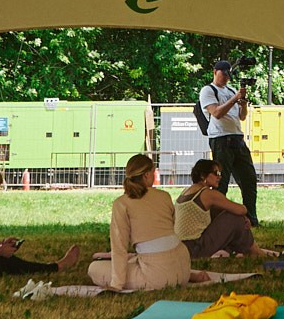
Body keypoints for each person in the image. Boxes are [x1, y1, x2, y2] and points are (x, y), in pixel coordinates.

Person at [85, 154, 213, 291]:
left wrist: (117, 284)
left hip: (157, 276)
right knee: (133, 260)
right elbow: (171, 228)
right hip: (182, 265)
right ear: (146, 175)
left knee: (94, 268)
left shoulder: (121, 203)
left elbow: (119, 246)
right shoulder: (164, 196)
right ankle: (188, 275)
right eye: (153, 171)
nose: (155, 174)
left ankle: (172, 276)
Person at [175, 158, 273, 259]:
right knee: (235, 217)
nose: (220, 177)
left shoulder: (186, 191)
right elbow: (241, 209)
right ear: (203, 175)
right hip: (195, 248)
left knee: (225, 214)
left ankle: (245, 249)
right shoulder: (208, 194)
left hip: (181, 247)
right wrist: (243, 216)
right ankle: (254, 251)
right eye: (216, 173)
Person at [199, 60, 260, 224]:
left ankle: (251, 218)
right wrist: (235, 98)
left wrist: (243, 103)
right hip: (221, 140)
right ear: (215, 72)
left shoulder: (232, 90)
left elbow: (242, 116)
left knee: (249, 179)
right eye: (223, 74)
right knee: (221, 181)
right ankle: (217, 219)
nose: (226, 77)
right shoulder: (208, 90)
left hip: (237, 138)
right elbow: (216, 113)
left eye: (228, 75)